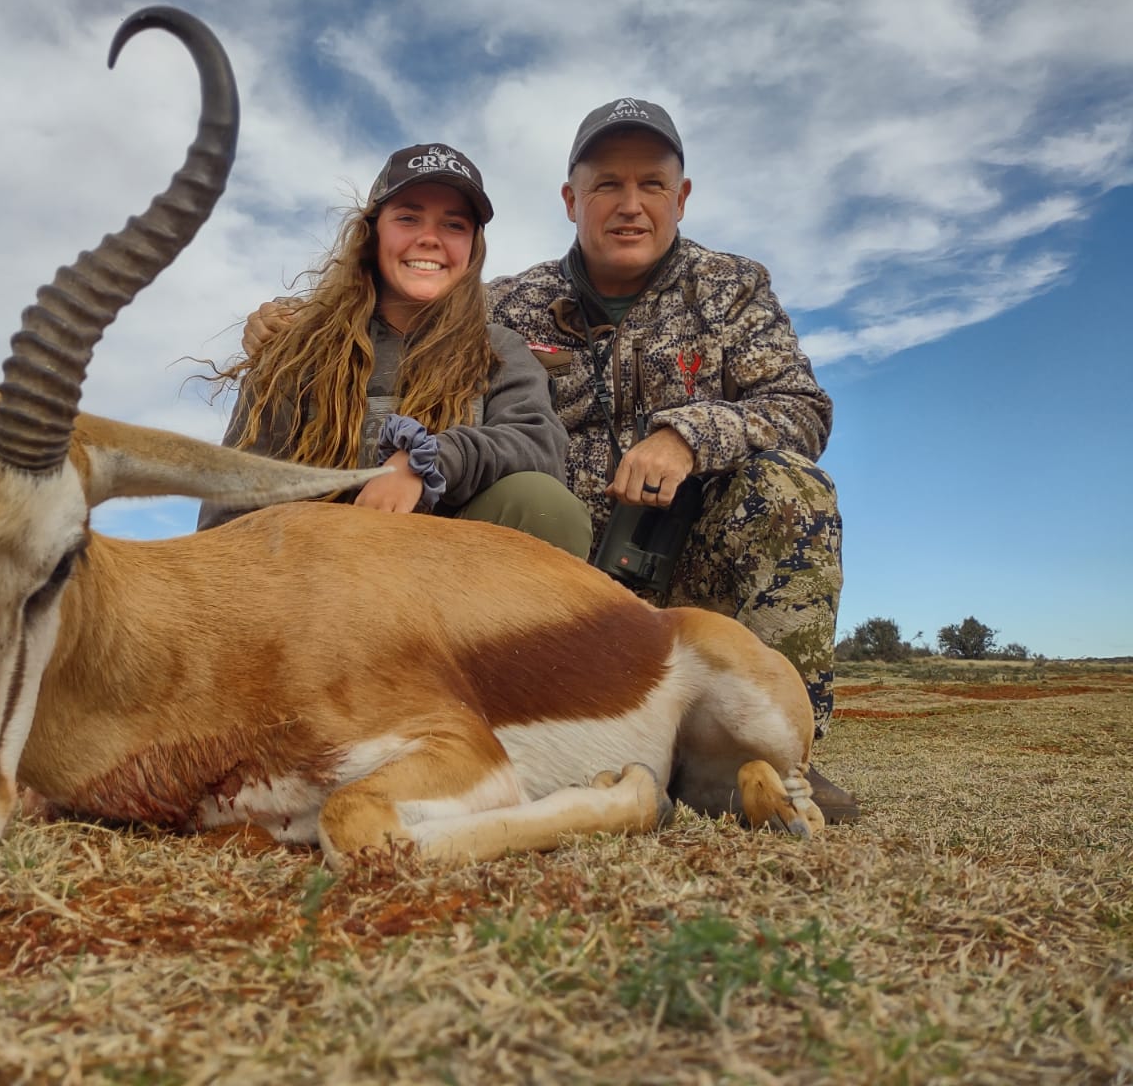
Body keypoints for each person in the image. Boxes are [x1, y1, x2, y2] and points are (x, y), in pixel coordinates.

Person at [244, 103, 857, 821]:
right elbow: (404, 303)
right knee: (538, 503)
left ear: (680, 196)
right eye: (606, 186)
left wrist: (689, 434)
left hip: (687, 579)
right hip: (546, 581)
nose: (630, 206)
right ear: (572, 199)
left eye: (652, 185)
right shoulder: (508, 306)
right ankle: (522, 745)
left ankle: (788, 758)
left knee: (788, 487)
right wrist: (297, 324)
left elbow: (802, 408)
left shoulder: (732, 289)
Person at [199, 143, 591, 558]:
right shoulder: (297, 348)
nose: (429, 238)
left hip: (449, 585)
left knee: (544, 506)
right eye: (408, 218)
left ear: (472, 248)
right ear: (372, 233)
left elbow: (539, 446)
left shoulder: (498, 348)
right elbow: (233, 504)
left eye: (454, 225)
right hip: (321, 585)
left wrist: (427, 462)